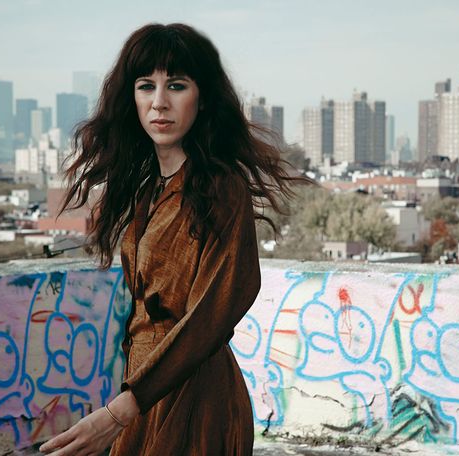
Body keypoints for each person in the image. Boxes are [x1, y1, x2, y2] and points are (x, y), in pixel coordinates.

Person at [39, 23, 307, 456]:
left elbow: (213, 314)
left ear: (202, 100)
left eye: (176, 85)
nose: (159, 102)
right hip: (145, 391)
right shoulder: (149, 190)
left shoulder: (221, 188)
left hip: (196, 395)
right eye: (147, 86)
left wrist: (119, 412)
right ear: (133, 99)